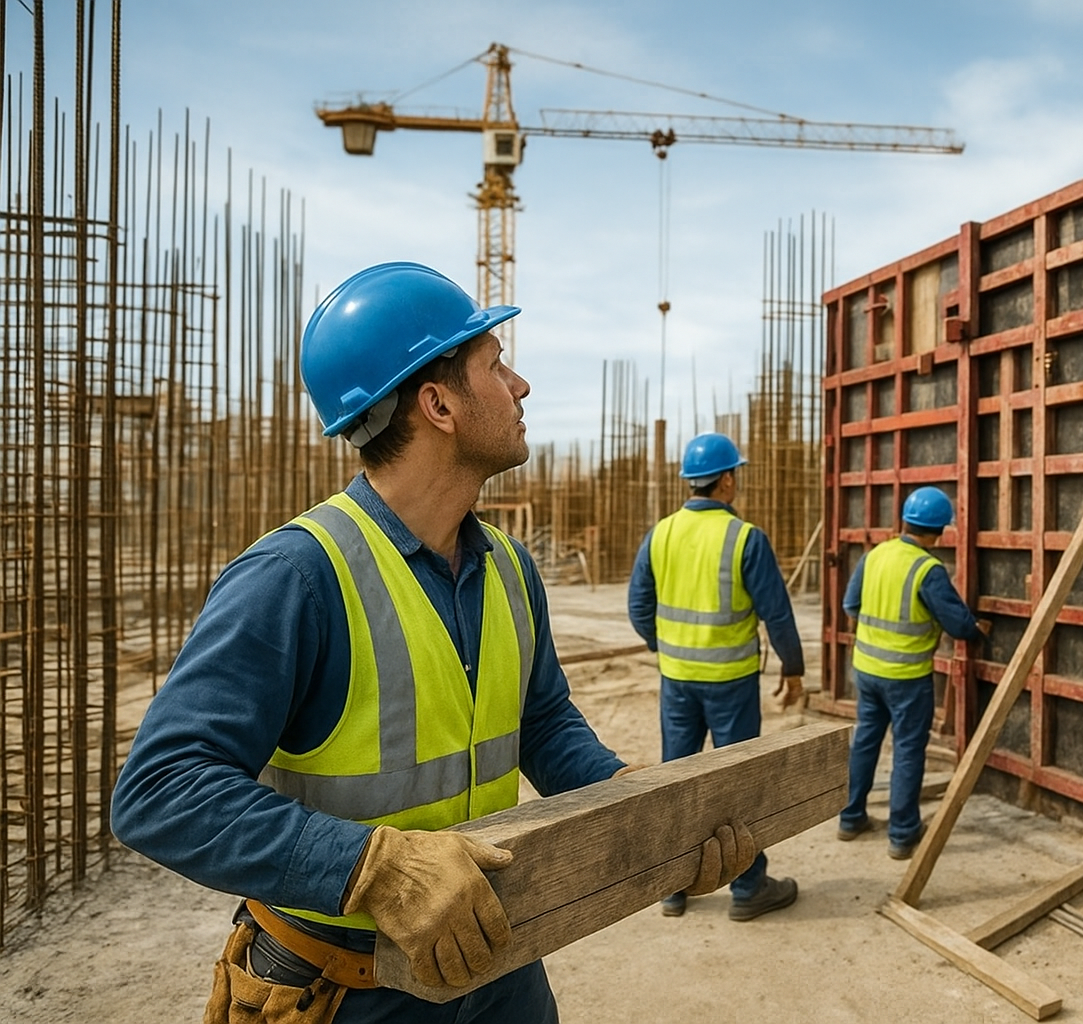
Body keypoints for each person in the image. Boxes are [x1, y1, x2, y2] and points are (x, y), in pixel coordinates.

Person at [111, 262, 755, 1024]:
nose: (520, 387)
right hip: (346, 990)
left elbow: (542, 725)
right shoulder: (297, 576)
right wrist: (371, 867)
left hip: (497, 960)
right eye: (495, 364)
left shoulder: (509, 566)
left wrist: (646, 811)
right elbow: (160, 791)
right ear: (438, 402)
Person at [627, 431, 805, 920]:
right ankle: (748, 889)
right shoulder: (746, 538)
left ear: (690, 482)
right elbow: (778, 615)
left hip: (677, 680)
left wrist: (665, 646)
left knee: (677, 777)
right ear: (727, 479)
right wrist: (793, 670)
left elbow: (638, 605)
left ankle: (672, 887)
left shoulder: (660, 533)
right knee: (736, 782)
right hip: (731, 684)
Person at [837, 486, 990, 860]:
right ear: (939, 530)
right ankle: (903, 834)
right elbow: (957, 624)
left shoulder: (875, 555)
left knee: (865, 742)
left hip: (867, 671)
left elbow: (850, 604)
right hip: (906, 677)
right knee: (907, 749)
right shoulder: (928, 569)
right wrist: (977, 630)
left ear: (905, 520)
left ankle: (850, 817)